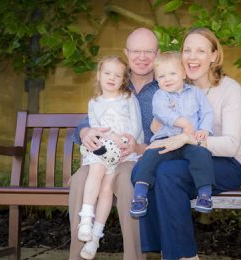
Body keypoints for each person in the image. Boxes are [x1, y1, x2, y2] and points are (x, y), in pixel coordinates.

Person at [134, 27, 241, 259]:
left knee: (168, 174)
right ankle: (172, 252)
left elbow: (232, 145)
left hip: (224, 164)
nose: (192, 57)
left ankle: (181, 255)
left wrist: (188, 137)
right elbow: (156, 127)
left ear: (214, 56)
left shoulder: (229, 89)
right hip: (184, 159)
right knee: (157, 170)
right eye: (187, 50)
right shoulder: (175, 85)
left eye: (201, 51)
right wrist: (165, 119)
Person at [68, 27, 159, 260]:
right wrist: (86, 131)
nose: (141, 56)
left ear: (157, 54)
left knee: (130, 183)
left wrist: (139, 147)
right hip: (104, 155)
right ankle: (79, 255)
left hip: (138, 158)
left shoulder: (165, 86)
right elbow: (85, 124)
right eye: (136, 51)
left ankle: (134, 257)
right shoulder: (113, 80)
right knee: (80, 179)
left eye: (148, 51)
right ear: (127, 53)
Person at [130, 51, 215, 219]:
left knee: (202, 154)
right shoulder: (159, 95)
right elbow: (161, 113)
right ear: (156, 79)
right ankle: (140, 195)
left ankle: (204, 194)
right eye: (161, 76)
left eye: (172, 74)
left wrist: (204, 130)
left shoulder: (196, 93)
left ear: (184, 73)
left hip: (189, 141)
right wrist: (183, 123)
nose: (167, 79)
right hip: (165, 140)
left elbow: (207, 112)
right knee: (149, 156)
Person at [77, 55, 144, 259]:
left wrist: (127, 144)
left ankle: (95, 237)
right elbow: (95, 127)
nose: (111, 78)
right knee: (95, 173)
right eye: (107, 73)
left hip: (122, 152)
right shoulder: (94, 102)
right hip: (102, 150)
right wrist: (107, 137)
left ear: (123, 79)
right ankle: (86, 219)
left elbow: (136, 125)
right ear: (98, 75)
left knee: (107, 189)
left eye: (117, 75)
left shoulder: (128, 98)